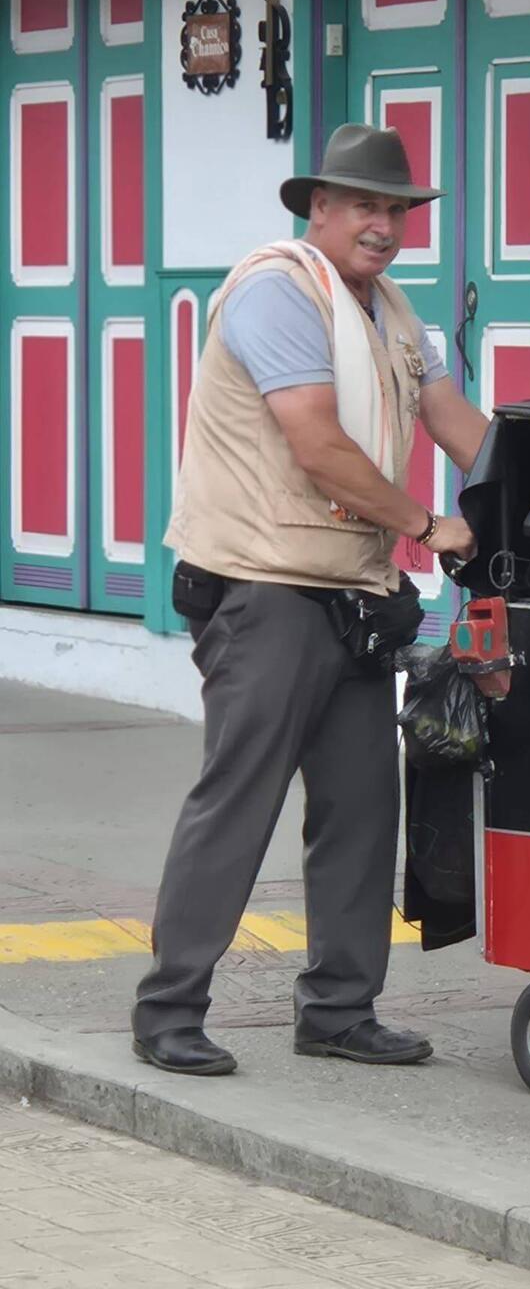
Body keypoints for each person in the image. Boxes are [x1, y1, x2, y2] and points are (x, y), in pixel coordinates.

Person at [132, 124, 486, 1076]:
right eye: (364, 206)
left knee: (365, 806)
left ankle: (338, 1008)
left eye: (397, 209)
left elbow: (458, 427)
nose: (382, 225)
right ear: (317, 209)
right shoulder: (277, 293)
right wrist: (431, 524)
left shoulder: (396, 313)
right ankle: (168, 1008)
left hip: (354, 598)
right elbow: (318, 445)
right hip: (265, 590)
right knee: (237, 801)